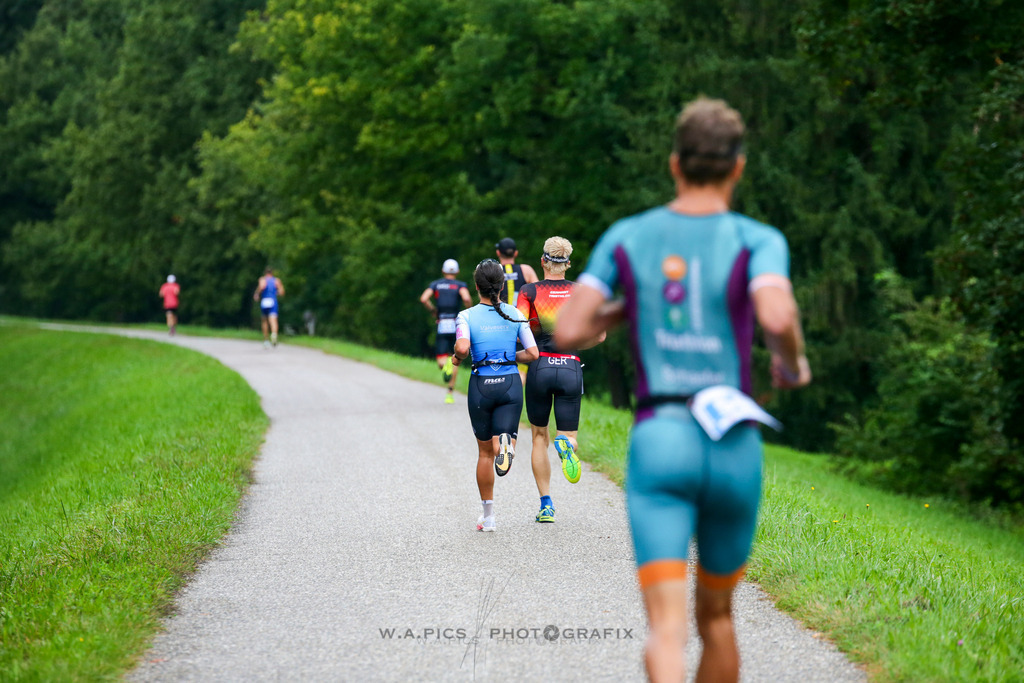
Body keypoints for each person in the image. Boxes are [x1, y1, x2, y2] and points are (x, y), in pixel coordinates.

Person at [555, 97, 811, 682]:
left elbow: (569, 328)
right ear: (738, 167)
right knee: (717, 618)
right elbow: (775, 315)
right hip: (731, 446)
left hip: (660, 438)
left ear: (675, 164)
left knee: (665, 631)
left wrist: (626, 309)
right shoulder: (758, 239)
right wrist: (791, 366)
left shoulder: (629, 235)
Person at [516, 236, 605, 523]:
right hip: (570, 366)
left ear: (543, 261)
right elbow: (600, 335)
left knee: (538, 437)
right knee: (567, 437)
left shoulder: (528, 291)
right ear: (567, 263)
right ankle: (566, 445)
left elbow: (517, 328)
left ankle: (546, 505)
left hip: (539, 367)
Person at [450, 259, 539, 532]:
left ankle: (488, 519)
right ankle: (507, 443)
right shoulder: (515, 314)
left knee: (484, 454)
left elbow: (463, 348)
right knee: (502, 440)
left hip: (482, 386)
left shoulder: (466, 316)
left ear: (476, 286)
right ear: (502, 287)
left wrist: (456, 356)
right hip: (510, 384)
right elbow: (533, 353)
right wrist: (512, 356)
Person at [420, 259, 473, 404]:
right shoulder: (460, 285)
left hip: (442, 323)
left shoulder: (436, 284)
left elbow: (424, 299)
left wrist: (433, 311)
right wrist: (468, 311)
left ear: (443, 271)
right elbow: (467, 298)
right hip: (457, 323)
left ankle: (446, 366)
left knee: (441, 361)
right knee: (455, 359)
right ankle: (450, 392)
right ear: (457, 272)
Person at [495, 237, 539, 383]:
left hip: (498, 323)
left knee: (499, 363)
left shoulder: (494, 270)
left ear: (498, 252)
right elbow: (539, 297)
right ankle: (517, 401)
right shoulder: (525, 270)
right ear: (516, 253)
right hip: (520, 322)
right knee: (521, 369)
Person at [253, 267, 285, 348]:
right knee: (273, 320)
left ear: (265, 273)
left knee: (264, 321)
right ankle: (274, 335)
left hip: (265, 300)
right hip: (273, 301)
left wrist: (257, 294)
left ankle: (266, 339)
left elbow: (261, 287)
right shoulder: (276, 280)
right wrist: (276, 292)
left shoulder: (262, 279)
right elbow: (282, 292)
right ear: (272, 273)